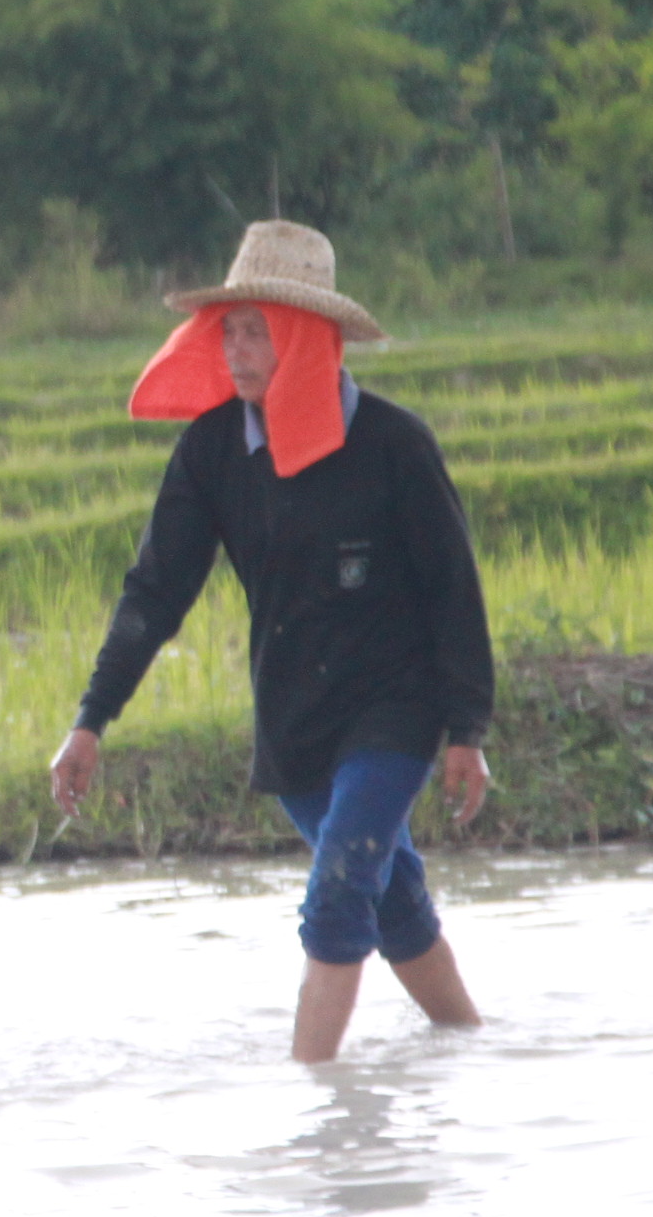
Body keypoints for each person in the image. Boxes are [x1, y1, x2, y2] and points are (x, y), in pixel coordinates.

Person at [46, 222, 495, 1064]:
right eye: (230, 331)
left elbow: (453, 590)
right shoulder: (213, 450)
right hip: (295, 717)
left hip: (395, 708)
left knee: (339, 892)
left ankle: (312, 1095)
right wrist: (90, 719)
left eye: (257, 331)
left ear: (305, 337)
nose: (237, 350)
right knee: (391, 899)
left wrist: (466, 728)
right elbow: (156, 592)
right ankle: (471, 1049)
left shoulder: (394, 445)